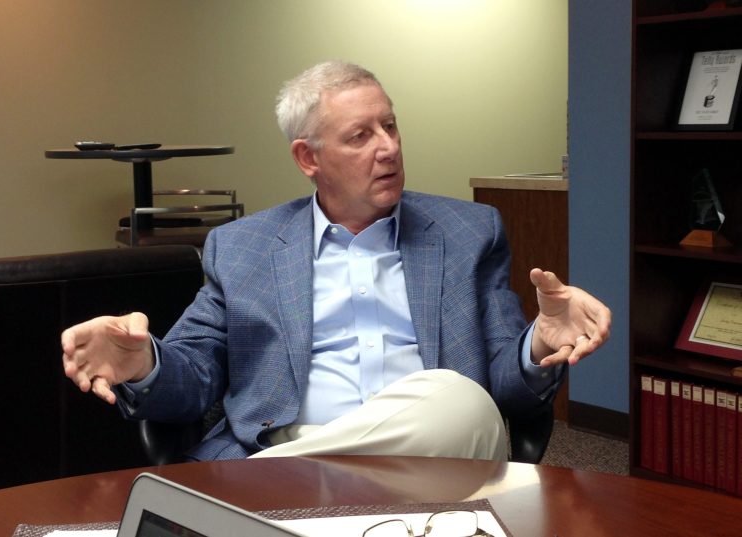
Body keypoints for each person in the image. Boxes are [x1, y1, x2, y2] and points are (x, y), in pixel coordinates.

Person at [62, 61, 611, 462]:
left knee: (459, 400)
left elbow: (506, 387)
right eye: (359, 136)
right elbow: (196, 372)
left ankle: (292, 482)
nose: (387, 147)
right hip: (288, 450)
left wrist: (540, 345)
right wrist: (143, 362)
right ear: (309, 158)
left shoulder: (468, 232)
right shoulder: (244, 248)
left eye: (390, 126)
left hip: (436, 458)